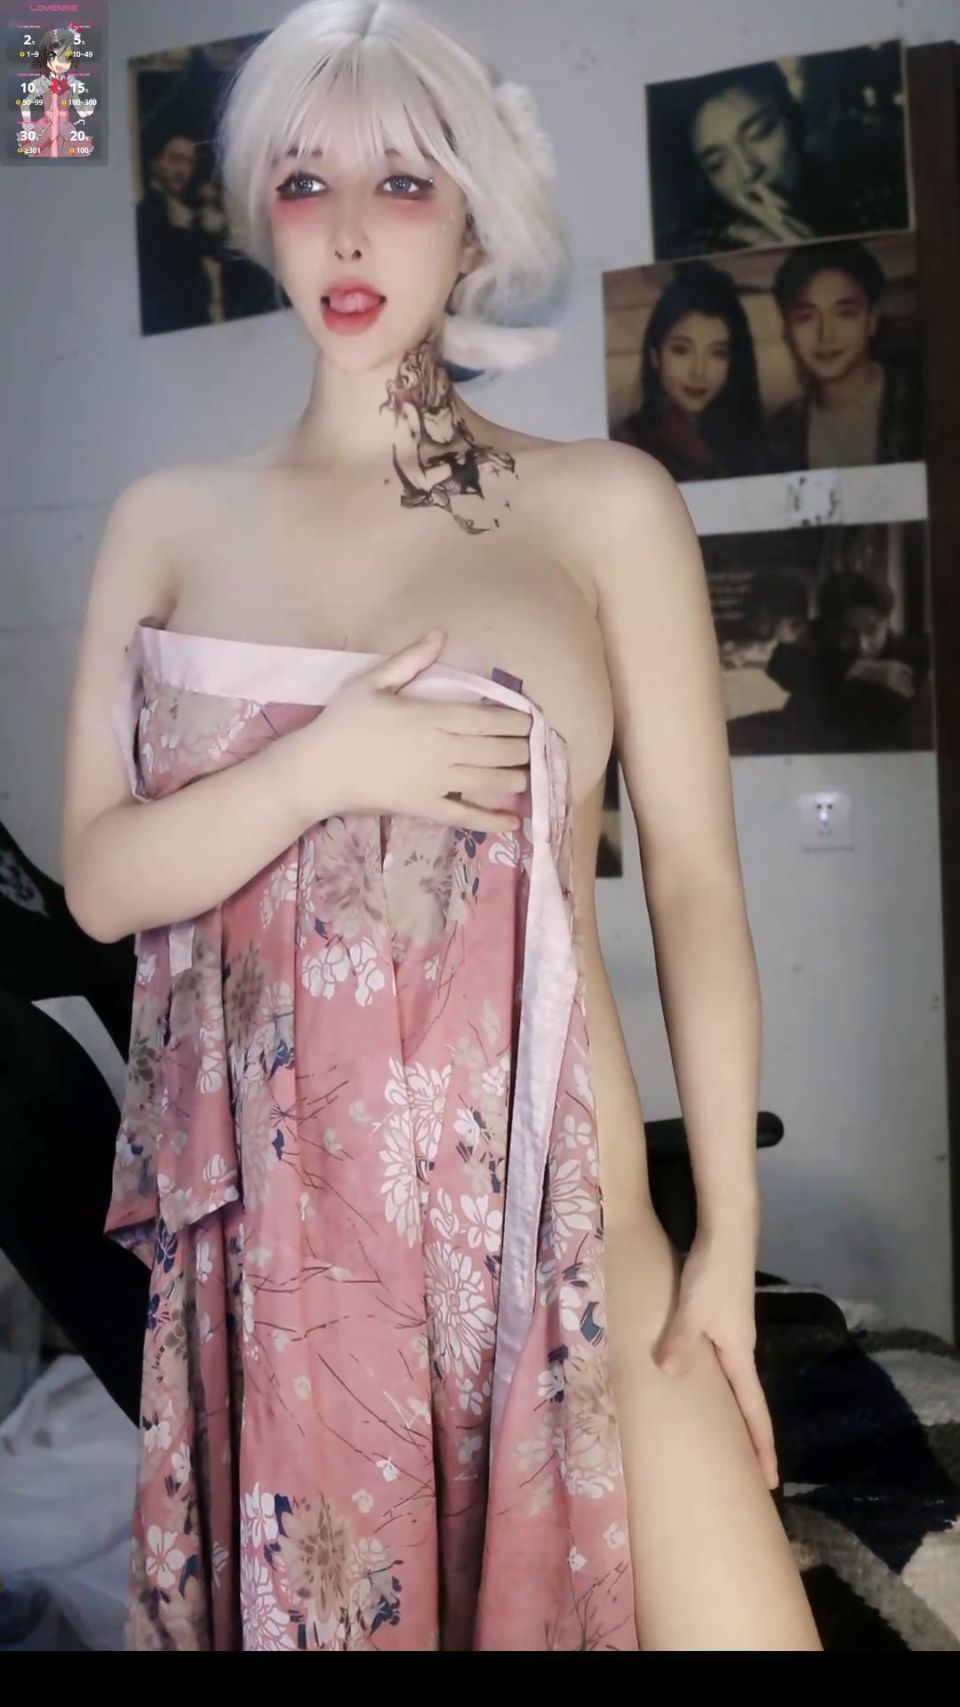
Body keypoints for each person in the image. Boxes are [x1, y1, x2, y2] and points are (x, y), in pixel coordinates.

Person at [60, 0, 821, 1653]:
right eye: (305, 182)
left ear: (476, 217)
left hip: (567, 1227)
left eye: (403, 183)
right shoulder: (166, 524)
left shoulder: (603, 504)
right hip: (293, 1266)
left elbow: (695, 883)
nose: (347, 231)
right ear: (263, 213)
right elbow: (102, 881)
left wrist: (727, 1243)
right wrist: (321, 767)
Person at [649, 58, 905, 261]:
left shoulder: (875, 200)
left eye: (759, 133)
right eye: (717, 164)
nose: (748, 170)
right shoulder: (696, 249)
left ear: (794, 122)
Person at [768, 241, 922, 472]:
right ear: (787, 329)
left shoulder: (922, 400)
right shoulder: (779, 430)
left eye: (845, 313)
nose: (826, 335)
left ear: (872, 320)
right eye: (805, 317)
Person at [611, 261, 768, 480]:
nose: (699, 372)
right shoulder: (627, 445)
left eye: (718, 353)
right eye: (682, 350)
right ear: (655, 356)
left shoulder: (757, 439)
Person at [135, 134, 218, 334]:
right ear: (155, 164)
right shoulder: (147, 214)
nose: (182, 170)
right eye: (175, 159)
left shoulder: (190, 211)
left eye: (189, 162)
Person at [18, 25, 97, 160]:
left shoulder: (71, 84)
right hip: (46, 128)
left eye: (66, 57)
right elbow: (24, 104)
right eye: (53, 56)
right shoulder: (42, 83)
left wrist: (88, 109)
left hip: (65, 129)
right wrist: (28, 127)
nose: (59, 63)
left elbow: (81, 110)